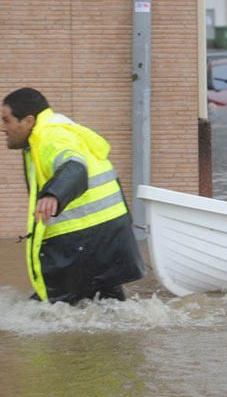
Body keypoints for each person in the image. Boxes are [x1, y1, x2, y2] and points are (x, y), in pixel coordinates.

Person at [1, 87, 146, 304]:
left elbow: (75, 167)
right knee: (109, 307)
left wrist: (53, 194)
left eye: (6, 120)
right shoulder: (55, 131)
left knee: (44, 314)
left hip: (82, 240)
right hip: (107, 233)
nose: (4, 128)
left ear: (29, 121)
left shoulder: (51, 137)